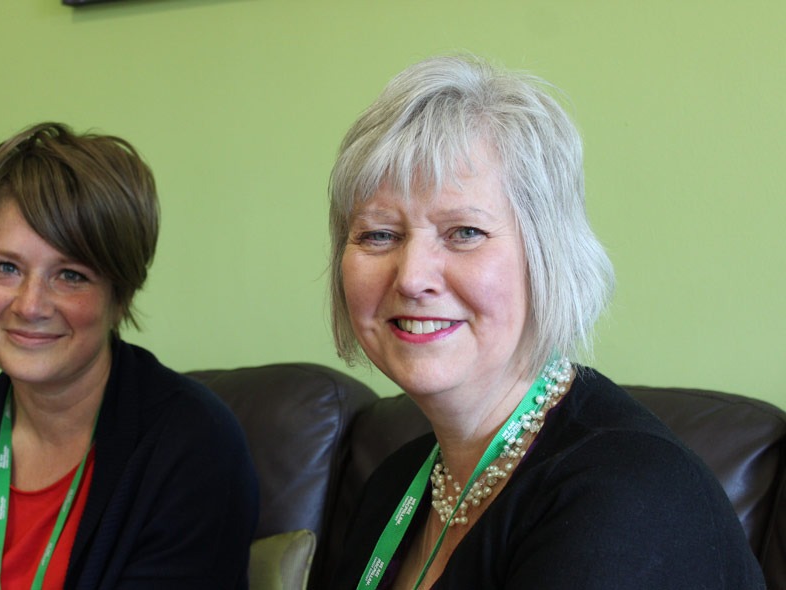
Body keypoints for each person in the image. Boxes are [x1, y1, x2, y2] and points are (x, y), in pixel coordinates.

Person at [325, 56, 765, 589]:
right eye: (378, 235)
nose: (412, 278)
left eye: (464, 231)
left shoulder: (626, 498)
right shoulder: (392, 487)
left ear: (547, 255)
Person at [0, 122, 259, 589]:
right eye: (5, 268)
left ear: (119, 296)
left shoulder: (196, 450)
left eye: (70, 275)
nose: (29, 305)